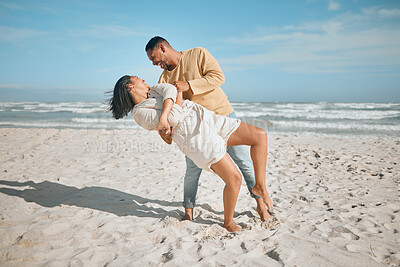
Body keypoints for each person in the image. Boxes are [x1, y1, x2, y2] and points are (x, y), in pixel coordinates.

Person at [108, 75, 273, 232]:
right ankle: (228, 222)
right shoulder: (140, 114)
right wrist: (174, 104)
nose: (143, 80)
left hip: (205, 117)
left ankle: (260, 186)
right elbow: (174, 118)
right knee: (234, 179)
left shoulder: (153, 90)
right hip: (193, 136)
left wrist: (166, 112)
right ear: (130, 86)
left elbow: (170, 91)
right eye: (138, 79)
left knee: (259, 136)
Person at [145, 36, 271, 221]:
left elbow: (218, 77)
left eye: (153, 58)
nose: (154, 63)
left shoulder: (198, 53)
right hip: (196, 131)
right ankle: (189, 212)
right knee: (192, 171)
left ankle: (261, 206)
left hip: (223, 117)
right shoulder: (164, 78)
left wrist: (188, 85)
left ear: (162, 48)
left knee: (244, 162)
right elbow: (171, 109)